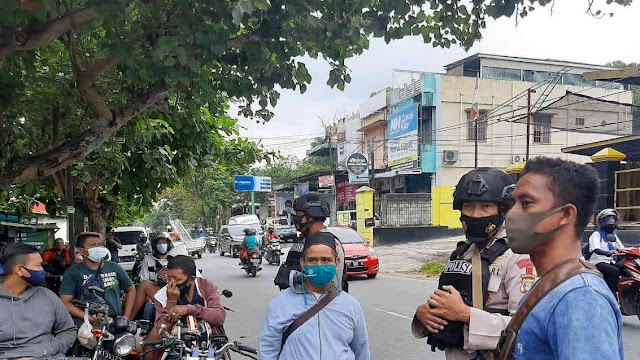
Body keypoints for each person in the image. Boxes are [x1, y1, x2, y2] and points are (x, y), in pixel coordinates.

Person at [499, 157, 623, 359]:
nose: (512, 213)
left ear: (565, 214)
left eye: (526, 203)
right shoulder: (551, 286)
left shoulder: (580, 297)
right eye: (513, 203)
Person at [412, 167, 537, 359]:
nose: (476, 214)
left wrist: (466, 315)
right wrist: (423, 315)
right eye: (469, 206)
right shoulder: (462, 254)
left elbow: (525, 330)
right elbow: (445, 307)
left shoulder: (518, 256)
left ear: (502, 210)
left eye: (485, 207)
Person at [259, 232, 370, 360]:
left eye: (326, 260)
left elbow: (361, 350)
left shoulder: (351, 305)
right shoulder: (280, 303)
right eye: (312, 260)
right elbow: (268, 350)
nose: (319, 265)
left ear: (337, 263)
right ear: (302, 263)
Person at [0, 243, 76, 358]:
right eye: (38, 265)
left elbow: (68, 330)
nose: (43, 270)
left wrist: (52, 348)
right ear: (19, 270)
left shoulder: (48, 296)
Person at [144, 255, 226, 360]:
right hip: (178, 345)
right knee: (149, 343)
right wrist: (171, 302)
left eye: (176, 279)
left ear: (191, 279)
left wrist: (188, 309)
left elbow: (219, 317)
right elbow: (161, 330)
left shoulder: (206, 287)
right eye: (169, 279)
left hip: (208, 344)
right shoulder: (163, 294)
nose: (171, 284)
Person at [59, 232, 136, 326]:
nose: (98, 248)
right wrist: (88, 318)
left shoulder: (114, 267)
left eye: (99, 245)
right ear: (82, 251)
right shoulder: (72, 272)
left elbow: (131, 289)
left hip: (116, 321)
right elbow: (65, 301)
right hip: (86, 324)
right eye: (93, 245)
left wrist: (126, 317)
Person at [274, 193, 348, 292]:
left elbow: (330, 287)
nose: (295, 219)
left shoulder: (331, 244)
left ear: (311, 217)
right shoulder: (303, 240)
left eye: (299, 215)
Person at [131, 235, 187, 320]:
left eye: (164, 242)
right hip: (157, 290)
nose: (162, 245)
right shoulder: (148, 259)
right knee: (149, 303)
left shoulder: (175, 258)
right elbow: (144, 280)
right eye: (159, 243)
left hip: (176, 292)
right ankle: (139, 322)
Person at [588, 208, 625, 296]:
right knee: (614, 271)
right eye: (609, 221)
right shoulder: (596, 234)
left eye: (613, 221)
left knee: (626, 267)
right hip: (598, 261)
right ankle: (609, 294)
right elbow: (595, 249)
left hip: (611, 261)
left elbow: (621, 247)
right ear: (602, 222)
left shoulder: (613, 235)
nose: (611, 223)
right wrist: (606, 253)